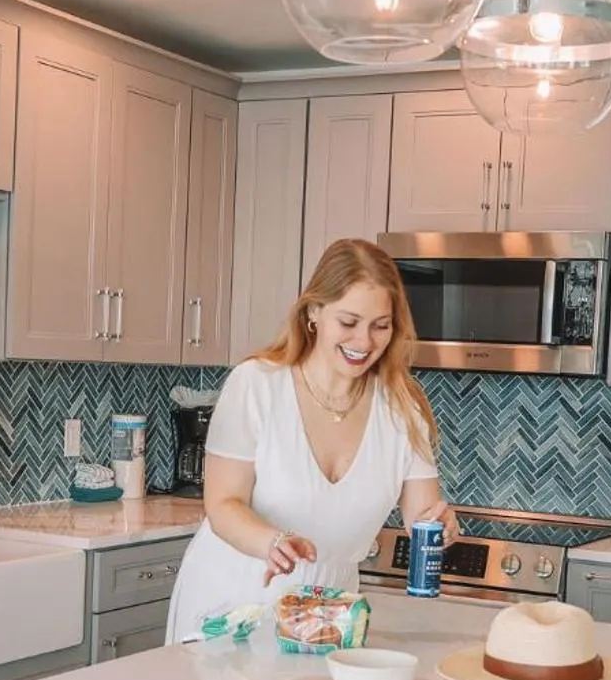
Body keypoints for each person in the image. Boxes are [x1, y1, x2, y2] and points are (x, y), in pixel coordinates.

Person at [165, 237, 455, 641]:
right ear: (314, 312)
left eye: (380, 326)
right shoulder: (257, 385)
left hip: (331, 615)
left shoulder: (401, 408)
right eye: (349, 322)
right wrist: (272, 542)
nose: (364, 342)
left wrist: (438, 522)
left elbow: (422, 513)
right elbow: (223, 504)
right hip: (235, 599)